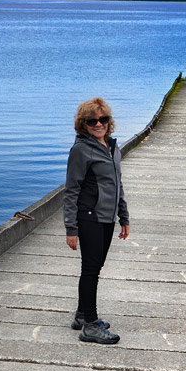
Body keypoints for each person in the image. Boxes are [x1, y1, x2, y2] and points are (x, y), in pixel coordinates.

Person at [63, 97, 130, 345]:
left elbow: (117, 184)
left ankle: (82, 315)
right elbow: (71, 190)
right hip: (89, 217)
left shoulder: (112, 147)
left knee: (95, 267)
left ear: (109, 122)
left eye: (103, 119)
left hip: (107, 217)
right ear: (84, 124)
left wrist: (124, 216)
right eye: (92, 121)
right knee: (91, 269)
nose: (99, 124)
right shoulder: (81, 150)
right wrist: (71, 228)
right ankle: (90, 325)